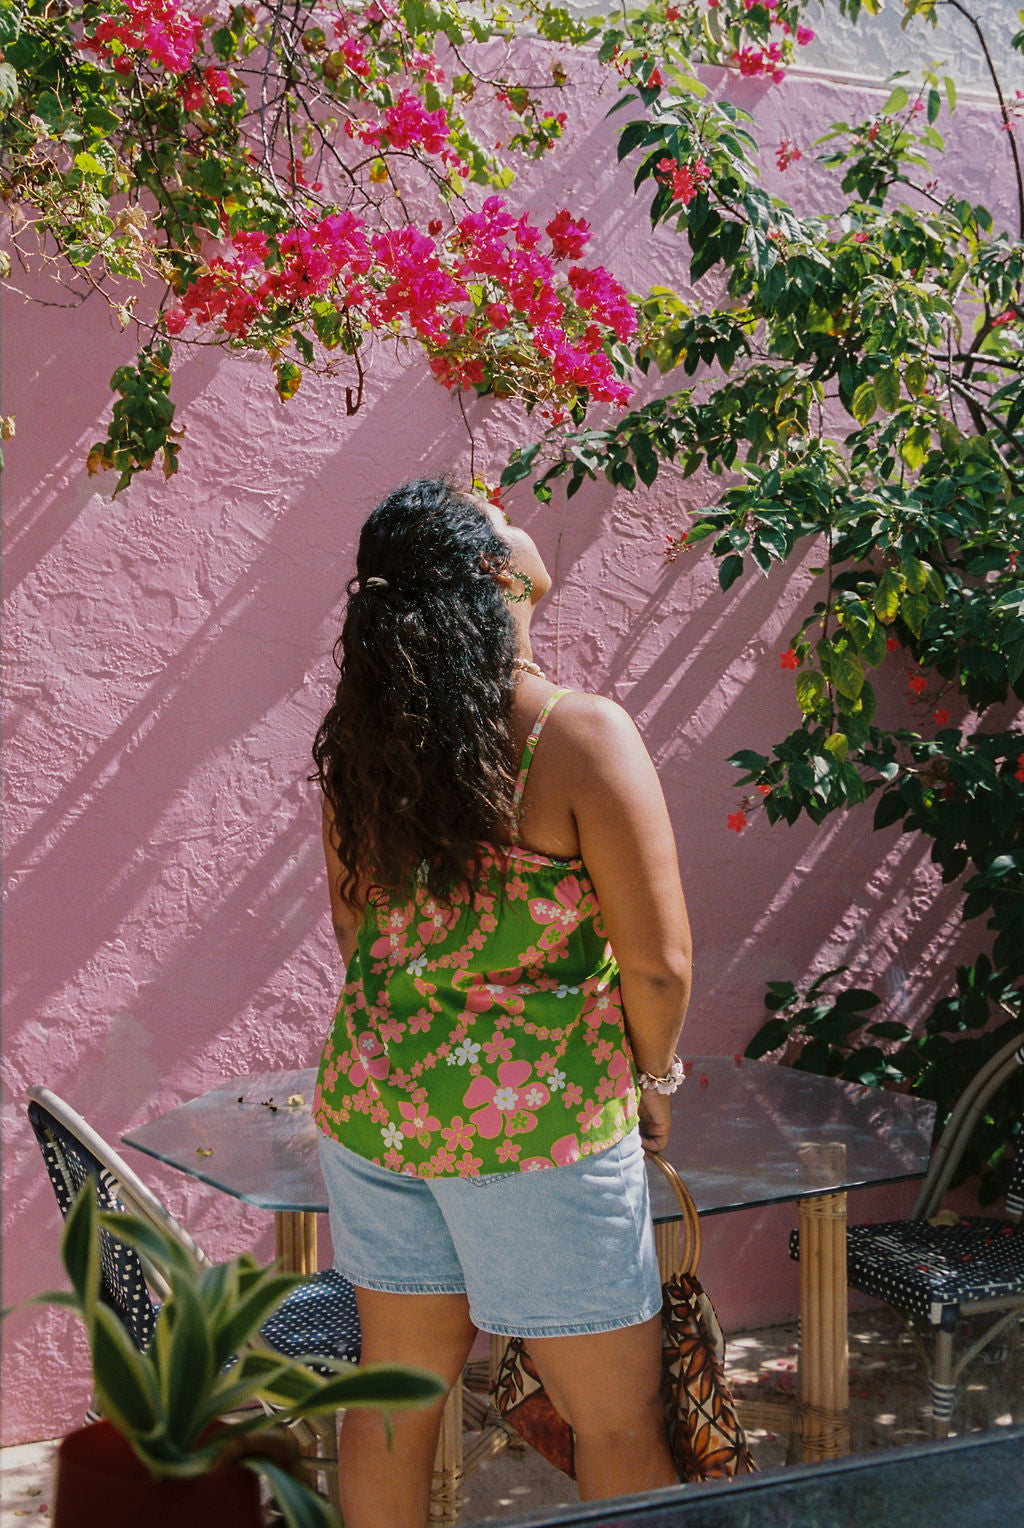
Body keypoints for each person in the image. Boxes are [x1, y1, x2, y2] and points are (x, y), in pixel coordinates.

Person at [311, 478, 692, 1528]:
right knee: (615, 1417)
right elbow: (657, 963)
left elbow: (355, 936)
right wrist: (653, 1082)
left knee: (396, 1397)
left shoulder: (368, 744)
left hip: (378, 1103)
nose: (506, 504)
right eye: (490, 511)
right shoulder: (577, 736)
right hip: (536, 1123)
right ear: (493, 574)